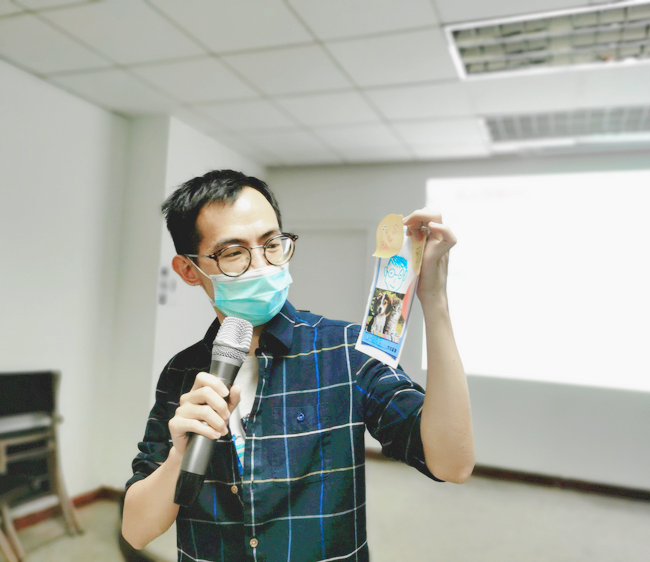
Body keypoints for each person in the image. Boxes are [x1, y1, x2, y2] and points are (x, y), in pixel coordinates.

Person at [122, 169, 474, 562]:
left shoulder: (346, 351)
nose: (262, 265)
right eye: (234, 252)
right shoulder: (182, 373)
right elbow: (135, 531)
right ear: (190, 270)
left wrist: (435, 303)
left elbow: (452, 463)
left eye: (272, 244)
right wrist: (178, 458)